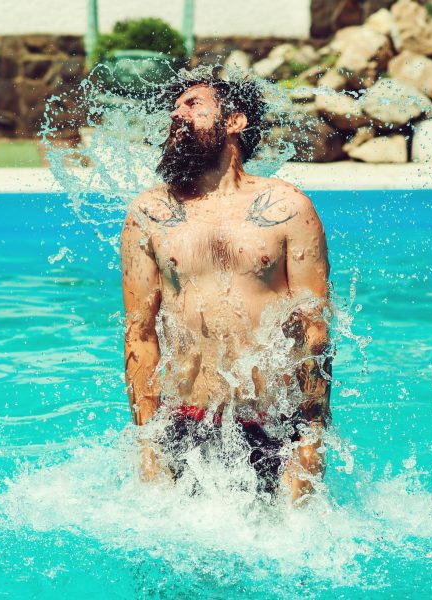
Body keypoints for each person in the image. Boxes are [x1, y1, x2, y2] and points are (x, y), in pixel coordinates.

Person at [120, 73, 333, 503]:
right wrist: (147, 443)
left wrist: (310, 440)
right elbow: (140, 335)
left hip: (274, 424)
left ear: (234, 121)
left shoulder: (289, 207)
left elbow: (316, 330)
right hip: (185, 423)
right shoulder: (149, 212)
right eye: (176, 107)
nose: (178, 114)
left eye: (194, 104)